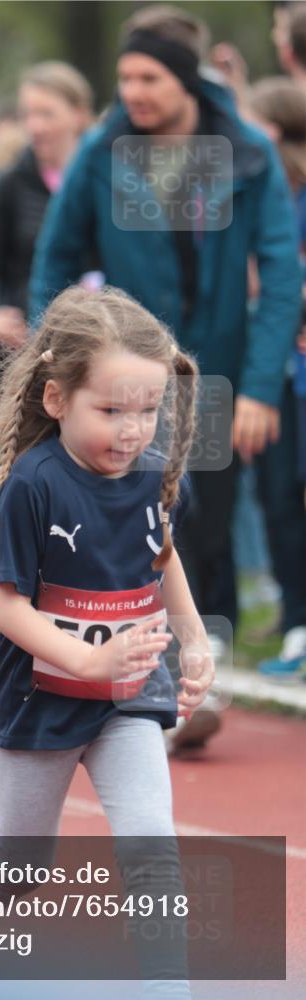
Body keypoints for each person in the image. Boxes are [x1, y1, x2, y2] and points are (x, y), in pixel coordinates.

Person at [29, 6, 302, 719]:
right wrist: (52, 366)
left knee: (203, 534)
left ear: (183, 80)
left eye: (148, 77)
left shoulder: (245, 150)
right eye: (123, 78)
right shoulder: (100, 150)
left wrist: (262, 385)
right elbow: (53, 261)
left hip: (221, 376)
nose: (133, 92)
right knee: (141, 528)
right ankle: (152, 691)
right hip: (125, 380)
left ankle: (195, 686)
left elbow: (278, 274)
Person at [0, 286, 212, 998]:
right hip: (40, 702)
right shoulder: (32, 485)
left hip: (128, 694)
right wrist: (84, 655)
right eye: (111, 411)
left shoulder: (154, 474)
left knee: (151, 841)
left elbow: (163, 553)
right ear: (57, 399)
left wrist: (193, 636)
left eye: (147, 411)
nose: (131, 431)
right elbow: (4, 603)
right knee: (24, 861)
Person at [245, 77, 306, 679]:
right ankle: (296, 625)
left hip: (300, 364)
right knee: (277, 498)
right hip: (272, 374)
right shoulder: (248, 192)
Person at [0, 61, 93, 355]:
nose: (35, 126)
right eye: (27, 115)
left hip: (106, 337)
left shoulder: (109, 180)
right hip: (34, 342)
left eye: (47, 114)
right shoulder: (8, 187)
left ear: (78, 114)